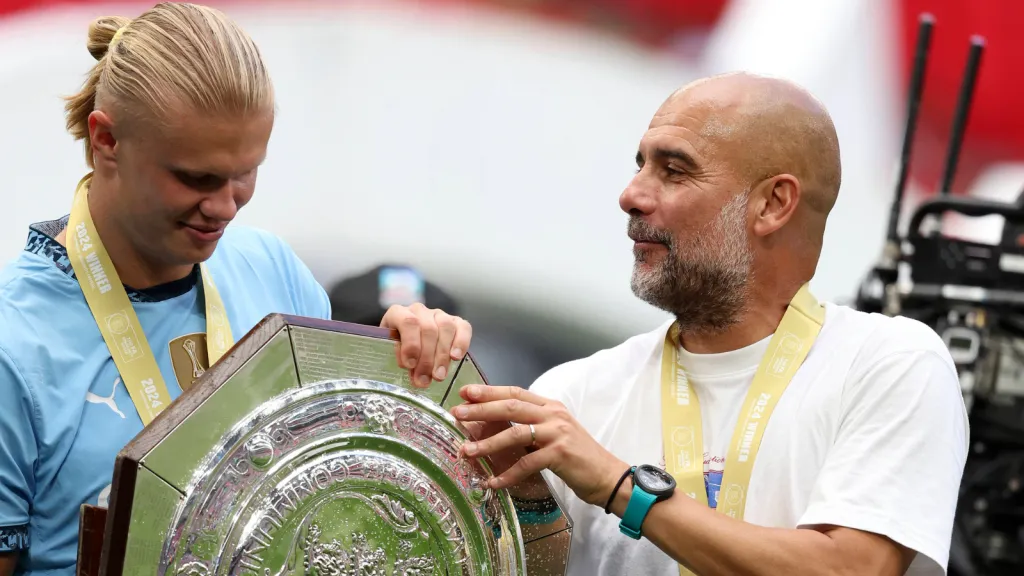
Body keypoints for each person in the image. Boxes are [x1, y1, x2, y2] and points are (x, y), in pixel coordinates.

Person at [0, 4, 471, 575]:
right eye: (195, 178)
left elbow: (348, 512)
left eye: (245, 173)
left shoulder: (273, 270)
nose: (224, 207)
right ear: (107, 141)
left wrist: (407, 376)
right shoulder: (15, 343)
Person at [449, 73, 968, 576]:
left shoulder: (889, 364)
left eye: (674, 171)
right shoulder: (574, 392)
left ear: (772, 204)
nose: (631, 195)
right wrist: (415, 388)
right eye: (641, 166)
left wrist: (620, 487)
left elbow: (852, 569)